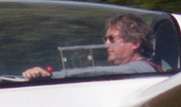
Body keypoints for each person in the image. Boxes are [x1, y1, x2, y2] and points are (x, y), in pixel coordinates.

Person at [23, 14, 161, 80]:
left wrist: (52, 76)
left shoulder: (143, 69)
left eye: (112, 39)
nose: (106, 44)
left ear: (135, 43)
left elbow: (98, 72)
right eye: (105, 39)